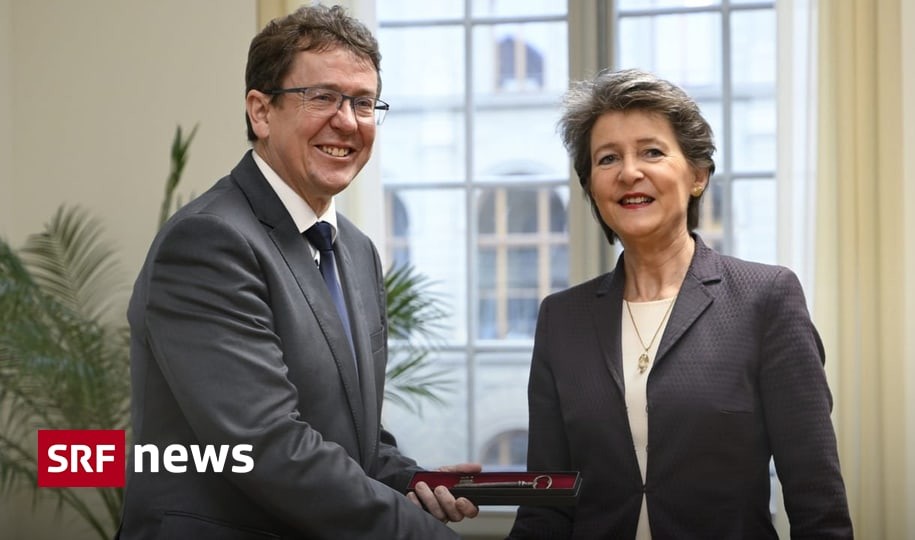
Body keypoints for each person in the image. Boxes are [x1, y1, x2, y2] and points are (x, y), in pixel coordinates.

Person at [119, 5, 479, 539]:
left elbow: (350, 436)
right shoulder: (209, 241)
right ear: (261, 112)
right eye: (323, 97)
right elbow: (267, 446)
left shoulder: (355, 250)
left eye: (363, 102)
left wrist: (411, 482)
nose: (348, 121)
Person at [507, 69, 853, 539]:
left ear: (697, 175)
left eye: (651, 152)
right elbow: (545, 507)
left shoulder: (766, 298)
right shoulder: (561, 318)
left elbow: (818, 502)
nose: (629, 172)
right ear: (591, 188)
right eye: (608, 158)